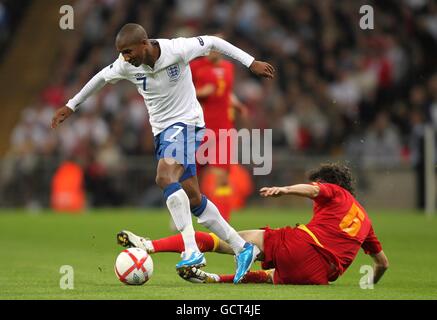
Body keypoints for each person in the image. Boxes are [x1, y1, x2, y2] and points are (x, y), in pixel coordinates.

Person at [51, 23, 275, 284]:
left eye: (128, 51)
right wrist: (71, 105)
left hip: (187, 124)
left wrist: (251, 63)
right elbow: (100, 77)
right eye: (121, 53)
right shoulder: (126, 65)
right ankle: (242, 247)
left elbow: (214, 41)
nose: (125, 57)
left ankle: (191, 250)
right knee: (194, 199)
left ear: (144, 44)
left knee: (164, 177)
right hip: (163, 133)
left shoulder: (177, 49)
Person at [128, 163, 389, 285]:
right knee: (270, 277)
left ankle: (148, 245)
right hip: (321, 275)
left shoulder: (335, 192)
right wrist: (368, 284)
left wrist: (284, 189)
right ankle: (213, 278)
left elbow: (312, 191)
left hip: (304, 245)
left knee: (227, 241)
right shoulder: (366, 221)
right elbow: (382, 263)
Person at [190, 49, 249, 222]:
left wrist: (237, 105)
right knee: (192, 176)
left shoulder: (228, 67)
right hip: (201, 128)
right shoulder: (195, 67)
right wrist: (200, 92)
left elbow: (227, 92)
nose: (214, 51)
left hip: (224, 130)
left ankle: (223, 220)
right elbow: (183, 91)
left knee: (221, 176)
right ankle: (186, 208)